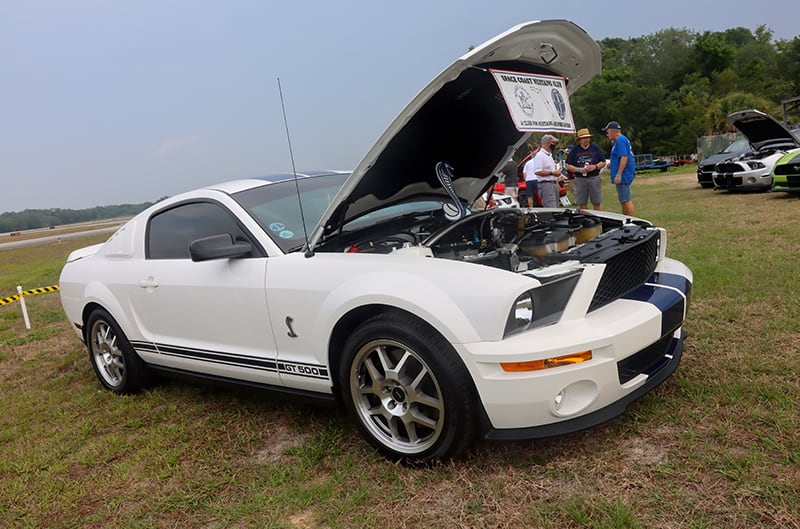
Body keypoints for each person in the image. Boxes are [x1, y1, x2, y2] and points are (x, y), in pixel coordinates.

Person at [565, 128, 606, 210]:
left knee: (597, 201)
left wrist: (595, 166)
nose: (586, 140)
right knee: (582, 203)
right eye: (584, 138)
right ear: (579, 140)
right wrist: (579, 170)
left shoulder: (595, 148)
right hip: (580, 179)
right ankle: (585, 220)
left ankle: (598, 219)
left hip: (594, 178)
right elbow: (568, 165)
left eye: (587, 137)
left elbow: (603, 162)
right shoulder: (574, 151)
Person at [602, 121, 636, 216]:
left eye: (607, 132)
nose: (607, 134)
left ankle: (632, 222)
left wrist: (619, 174)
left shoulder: (620, 140)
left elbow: (624, 157)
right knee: (623, 200)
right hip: (623, 173)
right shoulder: (621, 140)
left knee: (626, 200)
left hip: (623, 174)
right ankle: (626, 220)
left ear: (612, 131)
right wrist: (612, 164)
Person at [532, 134, 562, 208]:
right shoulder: (540, 155)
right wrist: (552, 173)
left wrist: (556, 181)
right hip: (546, 185)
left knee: (556, 207)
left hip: (553, 184)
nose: (554, 145)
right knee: (551, 207)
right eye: (553, 143)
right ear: (548, 143)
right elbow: (537, 171)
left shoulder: (549, 156)